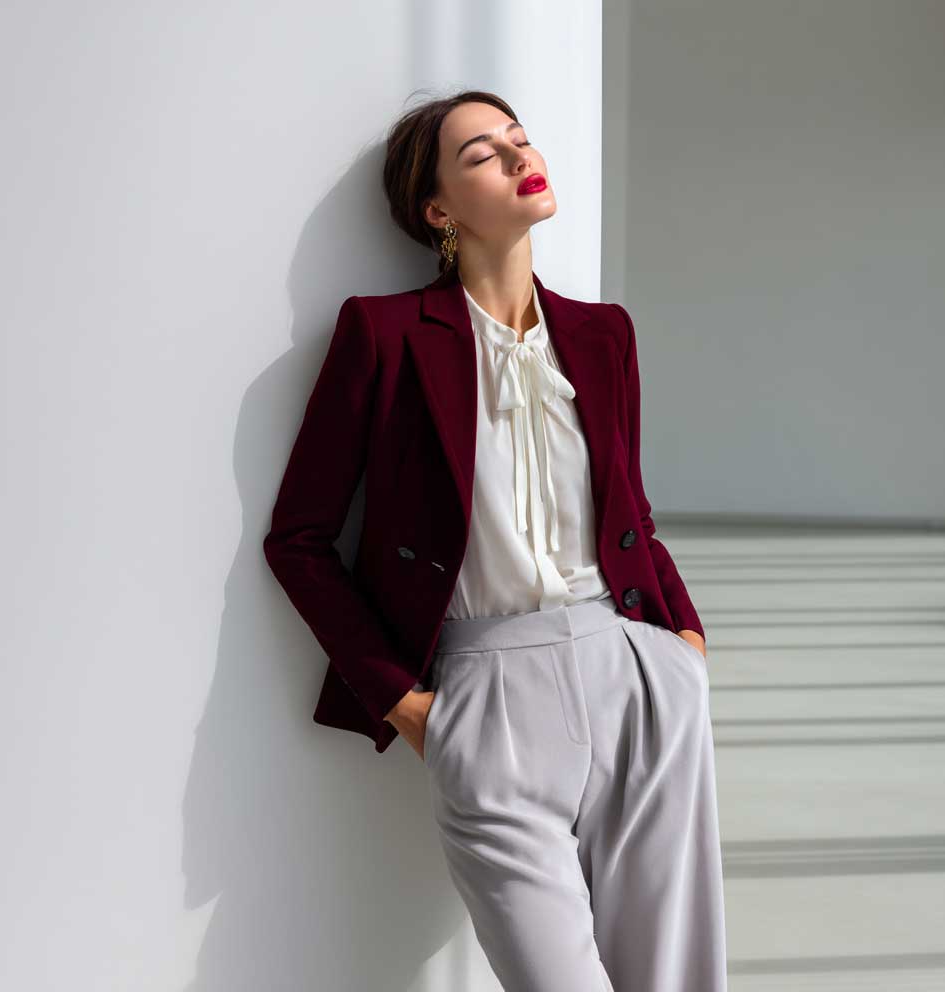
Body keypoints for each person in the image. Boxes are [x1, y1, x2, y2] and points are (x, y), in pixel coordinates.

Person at [263, 89, 727, 992]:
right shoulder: (385, 335)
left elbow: (634, 513)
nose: (519, 157)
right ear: (438, 211)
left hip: (635, 678)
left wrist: (685, 653)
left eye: (520, 139)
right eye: (482, 153)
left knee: (674, 978)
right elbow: (299, 539)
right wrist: (409, 707)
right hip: (488, 695)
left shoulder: (603, 334)